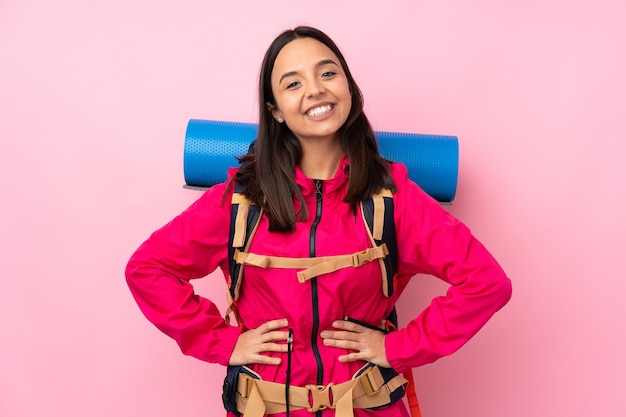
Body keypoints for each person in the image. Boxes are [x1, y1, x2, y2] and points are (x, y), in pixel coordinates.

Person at [126, 26, 512, 417]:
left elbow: (487, 283)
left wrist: (397, 348)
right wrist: (222, 343)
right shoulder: (239, 200)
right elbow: (146, 268)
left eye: (328, 73)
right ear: (275, 109)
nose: (315, 89)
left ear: (349, 88)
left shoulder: (394, 196)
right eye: (293, 83)